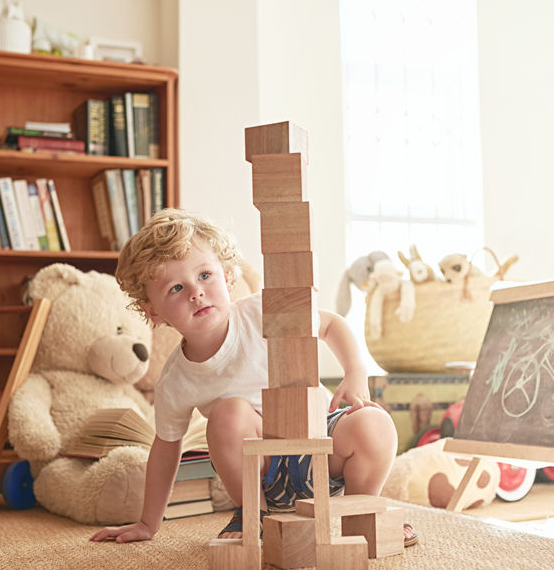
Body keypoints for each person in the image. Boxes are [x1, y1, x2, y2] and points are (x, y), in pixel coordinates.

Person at [90, 209, 417, 547]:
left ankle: (362, 512)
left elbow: (330, 324)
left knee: (374, 422)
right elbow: (166, 448)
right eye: (176, 287)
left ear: (228, 277)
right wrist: (148, 522)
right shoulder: (176, 380)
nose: (196, 293)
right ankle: (252, 514)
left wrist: (355, 372)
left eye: (205, 275)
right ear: (154, 311)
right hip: (263, 476)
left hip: (323, 444)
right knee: (229, 412)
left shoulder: (261, 311)